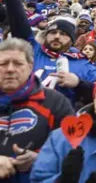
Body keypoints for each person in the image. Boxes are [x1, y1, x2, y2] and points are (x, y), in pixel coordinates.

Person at [0, 0, 96, 104]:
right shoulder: (32, 50)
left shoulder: (84, 65)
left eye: (63, 34)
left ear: (72, 40)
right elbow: (17, 16)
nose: (57, 36)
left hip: (62, 121)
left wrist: (79, 84)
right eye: (52, 32)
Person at [0, 38, 74, 183]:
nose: (10, 69)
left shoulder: (56, 102)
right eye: (3, 64)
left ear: (30, 67)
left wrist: (40, 159)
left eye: (18, 63)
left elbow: (73, 150)